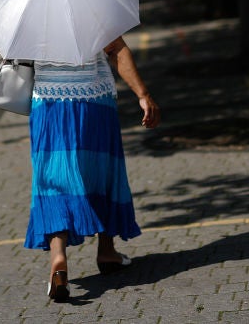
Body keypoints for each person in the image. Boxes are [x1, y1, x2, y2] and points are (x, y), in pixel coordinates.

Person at [26, 36, 161, 303]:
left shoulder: (29, 10)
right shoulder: (92, 4)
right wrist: (143, 95)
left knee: (53, 180)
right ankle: (107, 251)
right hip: (94, 101)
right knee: (103, 172)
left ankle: (58, 258)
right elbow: (116, 50)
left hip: (48, 105)